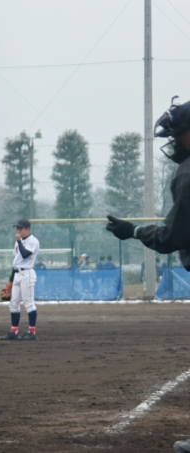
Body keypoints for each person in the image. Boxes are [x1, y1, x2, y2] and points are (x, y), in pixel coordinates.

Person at [104, 96, 190, 453]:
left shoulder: (187, 173)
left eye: (178, 133)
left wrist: (134, 231)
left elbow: (173, 236)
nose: (174, 142)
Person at [0, 219, 40, 341]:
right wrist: (11, 280)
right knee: (13, 303)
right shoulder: (19, 242)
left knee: (29, 303)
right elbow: (16, 261)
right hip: (17, 274)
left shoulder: (33, 241)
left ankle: (32, 332)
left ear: (28, 229)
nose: (18, 231)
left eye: (20, 228)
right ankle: (14, 332)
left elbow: (25, 254)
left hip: (27, 274)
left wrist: (18, 240)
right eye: (17, 228)